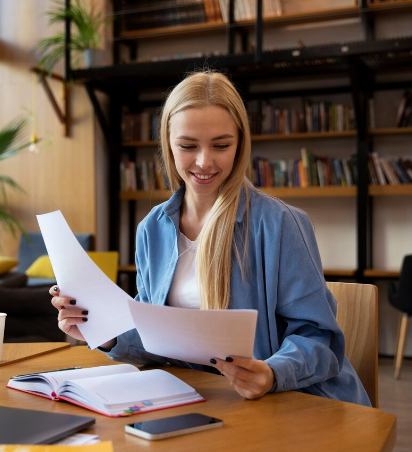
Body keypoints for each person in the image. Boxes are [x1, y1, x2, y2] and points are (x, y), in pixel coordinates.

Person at [50, 71, 370, 406]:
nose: (204, 161)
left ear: (240, 144)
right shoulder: (153, 229)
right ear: (168, 145)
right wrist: (104, 333)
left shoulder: (279, 224)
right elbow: (159, 337)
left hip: (293, 402)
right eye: (188, 146)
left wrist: (273, 373)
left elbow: (319, 339)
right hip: (206, 397)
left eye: (221, 145)